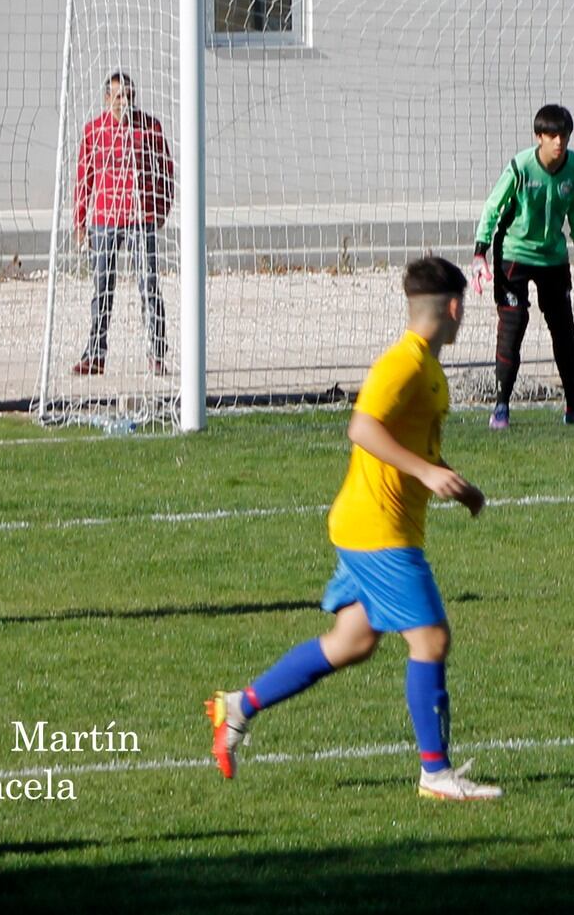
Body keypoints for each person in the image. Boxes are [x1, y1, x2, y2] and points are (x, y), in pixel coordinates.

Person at [206, 255, 501, 801]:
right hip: (378, 531)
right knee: (431, 639)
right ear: (455, 306)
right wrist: (427, 472)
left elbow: (411, 443)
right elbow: (362, 427)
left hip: (371, 524)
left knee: (352, 641)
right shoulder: (404, 364)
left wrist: (455, 484)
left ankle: (239, 706)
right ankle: (435, 775)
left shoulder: (427, 368)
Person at [474, 104, 574, 429]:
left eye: (564, 135)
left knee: (565, 333)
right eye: (552, 135)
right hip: (514, 255)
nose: (559, 142)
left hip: (553, 259)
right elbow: (492, 208)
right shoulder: (520, 167)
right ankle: (501, 408)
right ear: (538, 137)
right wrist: (480, 254)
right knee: (512, 328)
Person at [71, 72, 174, 377]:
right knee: (102, 287)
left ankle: (157, 353)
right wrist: (80, 221)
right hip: (104, 222)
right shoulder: (93, 131)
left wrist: (160, 208)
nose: (124, 102)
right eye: (118, 97)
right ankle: (96, 354)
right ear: (107, 99)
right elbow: (83, 179)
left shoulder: (149, 128)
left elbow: (165, 171)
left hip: (140, 221)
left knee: (148, 286)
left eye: (129, 96)